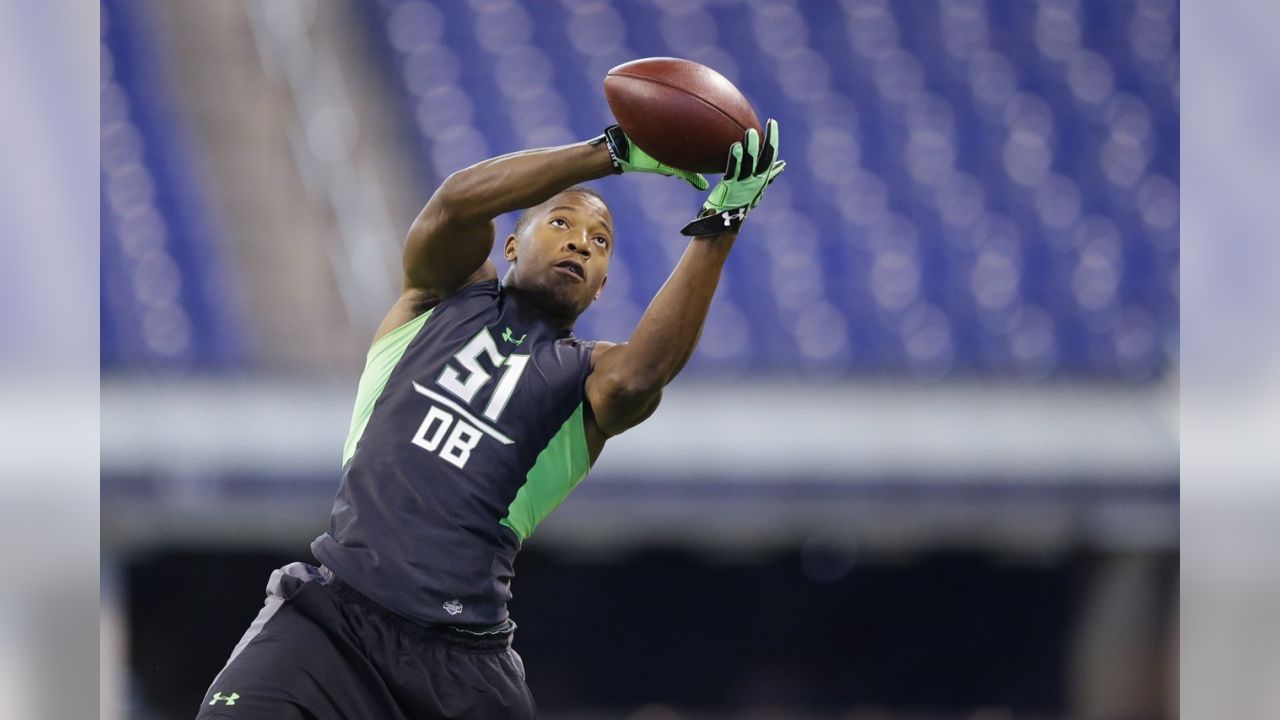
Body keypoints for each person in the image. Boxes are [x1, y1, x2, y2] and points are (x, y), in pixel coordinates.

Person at [194, 120, 785, 719]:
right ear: (509, 245)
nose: (581, 241)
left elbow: (643, 374)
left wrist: (720, 227)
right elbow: (454, 203)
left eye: (600, 241)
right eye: (561, 223)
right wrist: (605, 154)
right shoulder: (440, 296)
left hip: (462, 668)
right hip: (332, 622)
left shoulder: (589, 379)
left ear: (603, 286)